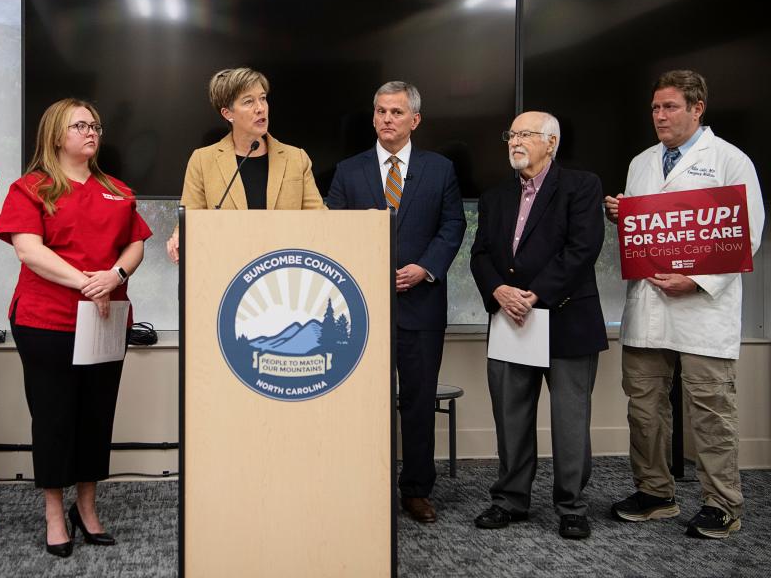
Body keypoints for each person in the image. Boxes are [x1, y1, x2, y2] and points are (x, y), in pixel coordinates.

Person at [605, 70, 765, 539]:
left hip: (702, 309)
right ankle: (655, 492)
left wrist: (695, 280)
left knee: (710, 409)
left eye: (670, 107)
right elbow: (645, 234)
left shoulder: (731, 161)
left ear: (698, 108)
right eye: (655, 108)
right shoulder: (641, 163)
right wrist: (622, 214)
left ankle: (722, 503)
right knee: (644, 407)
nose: (660, 116)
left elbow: (747, 234)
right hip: (649, 306)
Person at [0, 98, 152, 557]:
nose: (91, 132)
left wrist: (115, 277)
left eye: (95, 125)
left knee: (95, 416)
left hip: (106, 320)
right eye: (80, 125)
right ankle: (52, 515)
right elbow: (29, 251)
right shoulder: (31, 188)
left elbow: (135, 246)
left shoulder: (118, 190)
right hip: (47, 320)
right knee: (54, 418)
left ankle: (87, 509)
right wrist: (89, 283)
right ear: (56, 134)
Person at [327, 81, 466, 523]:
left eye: (397, 112)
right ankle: (361, 485)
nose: (388, 119)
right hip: (360, 308)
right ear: (373, 117)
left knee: (419, 402)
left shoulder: (440, 168)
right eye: (381, 111)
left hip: (421, 304)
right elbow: (330, 231)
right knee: (361, 401)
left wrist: (424, 268)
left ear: (415, 120)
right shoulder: (348, 170)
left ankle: (417, 490)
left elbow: (453, 226)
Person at [470, 111, 607, 540]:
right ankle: (509, 499)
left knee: (569, 419)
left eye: (525, 134)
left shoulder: (581, 185)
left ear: (551, 142)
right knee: (511, 415)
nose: (515, 141)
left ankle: (571, 505)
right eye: (511, 134)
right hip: (510, 319)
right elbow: (479, 255)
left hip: (565, 317)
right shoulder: (494, 197)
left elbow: (583, 246)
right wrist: (499, 291)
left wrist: (534, 294)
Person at [165, 67, 325, 262]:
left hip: (286, 271)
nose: (260, 107)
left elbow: (319, 221)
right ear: (227, 113)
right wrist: (179, 236)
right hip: (227, 268)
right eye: (248, 101)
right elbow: (190, 219)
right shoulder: (202, 160)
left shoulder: (296, 158)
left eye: (263, 98)